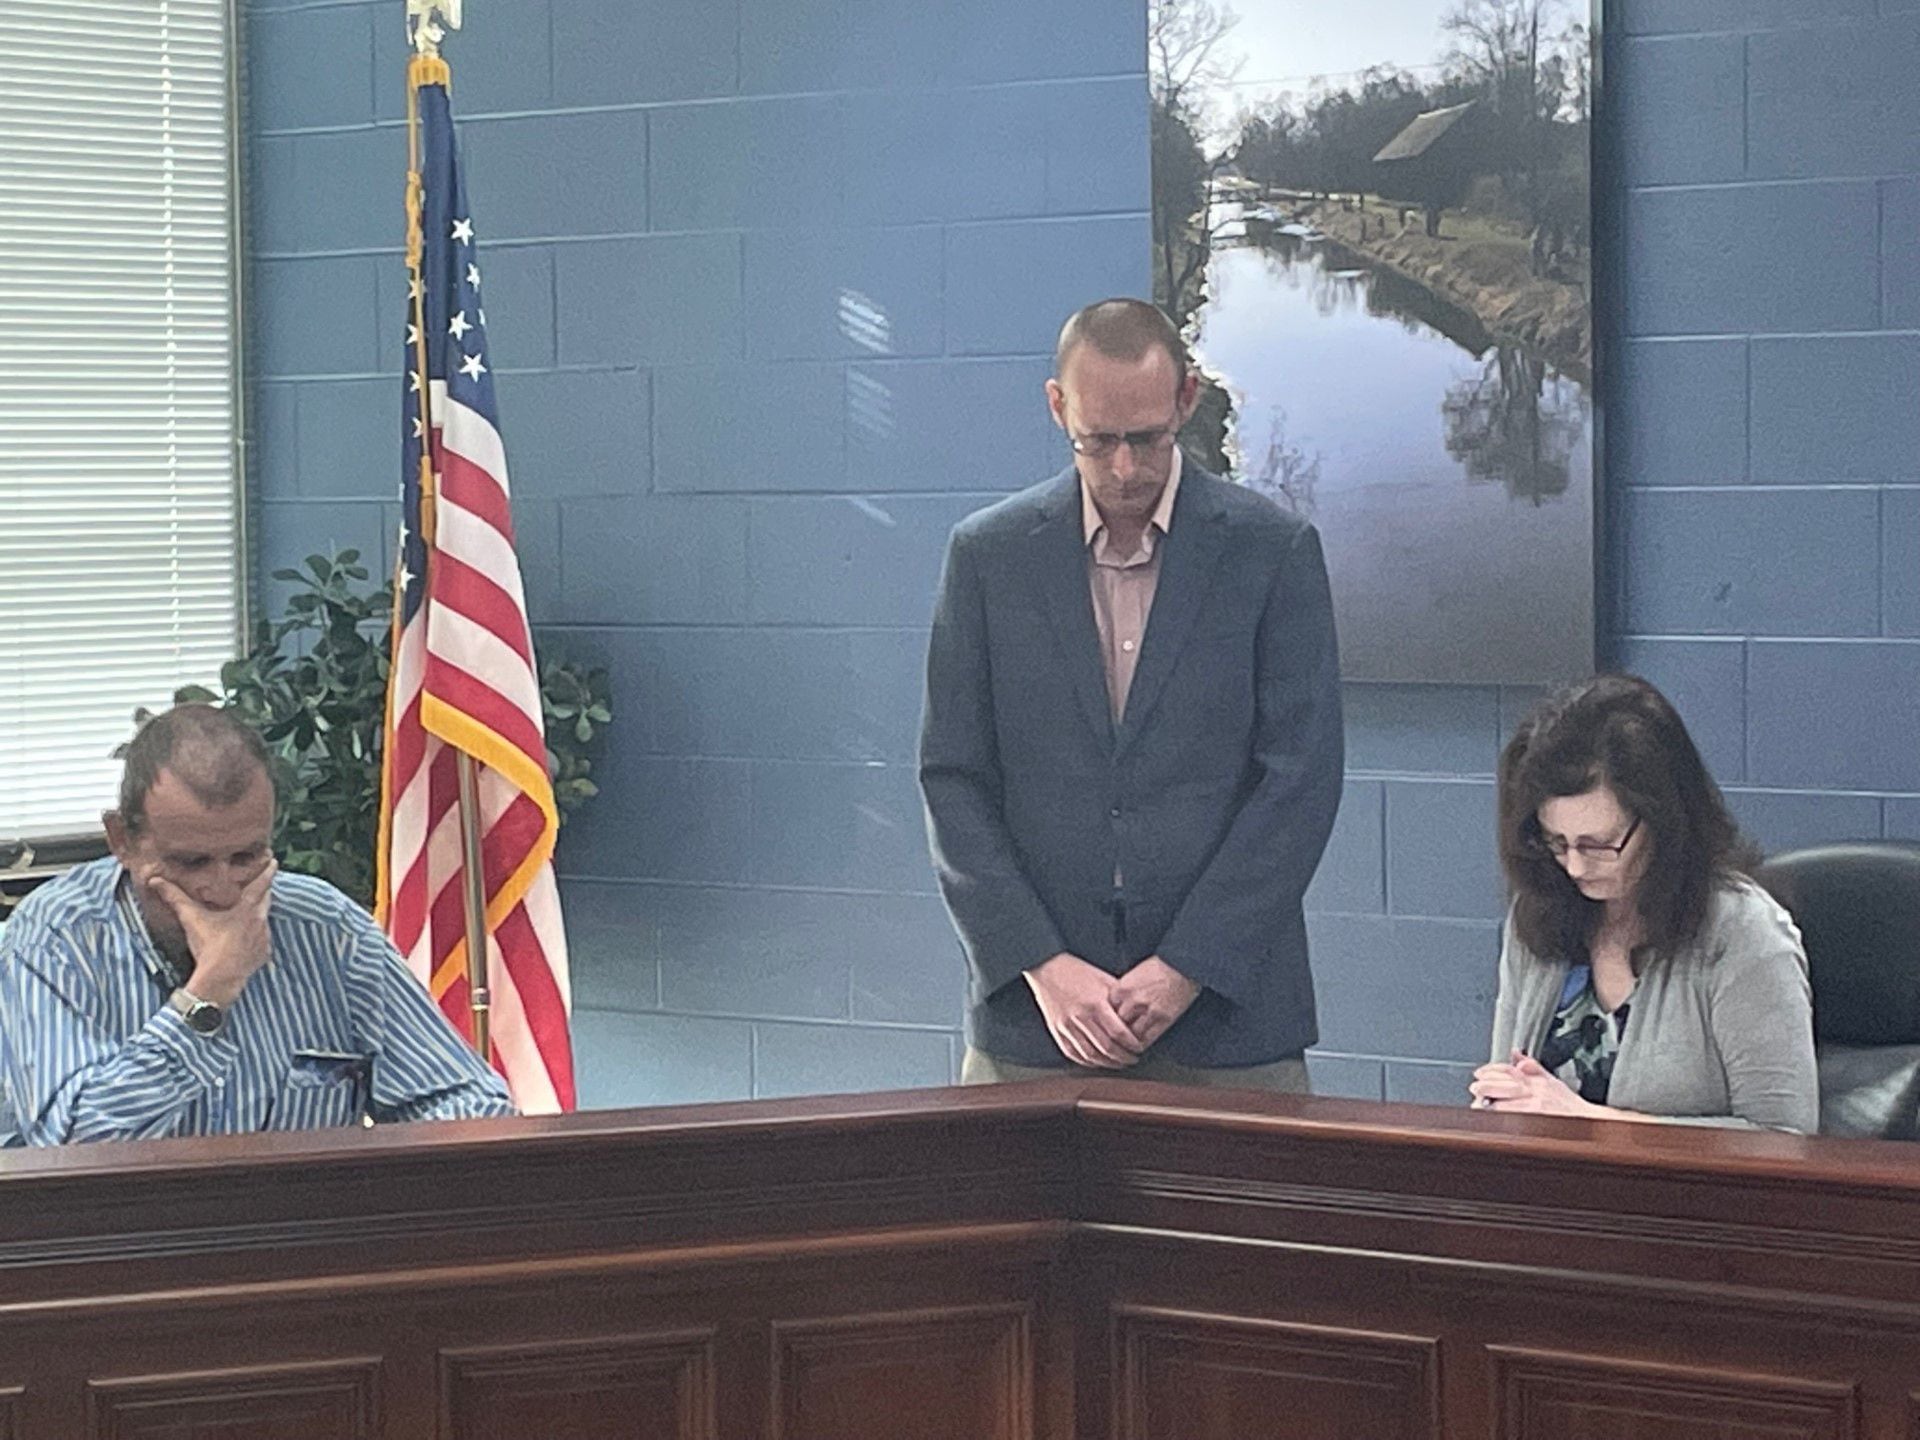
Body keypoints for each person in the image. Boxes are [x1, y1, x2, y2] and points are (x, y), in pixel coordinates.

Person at [920, 298, 1344, 1089]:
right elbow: (953, 780)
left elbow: (1298, 784)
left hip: (1228, 1020)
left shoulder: (1273, 553)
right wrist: (1044, 966)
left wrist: (1184, 968)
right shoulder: (988, 558)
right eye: (1098, 440)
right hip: (1035, 1024)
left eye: (1146, 439)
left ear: (1186, 400)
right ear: (1058, 408)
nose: (1124, 468)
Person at [0, 704, 514, 1145]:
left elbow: (466, 1099)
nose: (222, 889)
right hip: (115, 1248)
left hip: (299, 1242)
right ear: (122, 840)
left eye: (246, 856)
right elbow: (65, 1147)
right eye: (190, 862)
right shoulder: (55, 939)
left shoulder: (328, 931)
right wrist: (207, 996)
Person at [1474, 675, 1817, 1132]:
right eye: (1555, 841)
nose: (1575, 866)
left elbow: (1785, 1140)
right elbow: (1510, 1091)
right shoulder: (1541, 911)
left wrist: (1591, 1121)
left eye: (1599, 844)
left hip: (1687, 1204)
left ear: (1662, 822)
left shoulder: (1742, 933)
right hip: (1549, 1199)